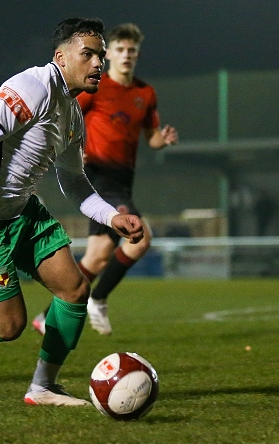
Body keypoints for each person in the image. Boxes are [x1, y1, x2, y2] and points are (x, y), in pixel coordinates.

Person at [0, 18, 144, 406]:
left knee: (75, 290)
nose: (98, 63)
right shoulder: (32, 86)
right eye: (88, 55)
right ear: (61, 57)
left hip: (24, 212)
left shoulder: (73, 116)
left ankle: (42, 387)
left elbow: (74, 183)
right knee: (8, 328)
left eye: (100, 55)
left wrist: (112, 217)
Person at [31, 23, 178, 337]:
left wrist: (161, 140)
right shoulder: (95, 88)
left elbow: (150, 137)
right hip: (99, 179)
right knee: (140, 238)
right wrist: (73, 148)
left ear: (137, 54)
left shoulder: (145, 93)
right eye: (121, 49)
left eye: (132, 50)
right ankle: (97, 299)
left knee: (97, 259)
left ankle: (47, 317)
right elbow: (67, 114)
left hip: (123, 181)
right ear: (109, 53)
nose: (126, 55)